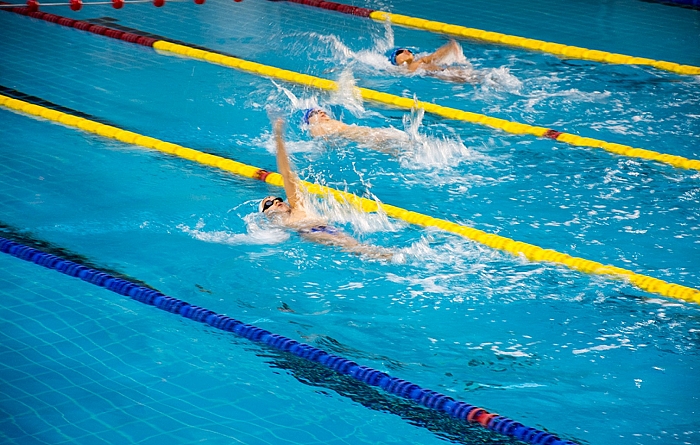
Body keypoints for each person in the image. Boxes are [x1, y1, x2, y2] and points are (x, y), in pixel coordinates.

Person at [259, 119, 393, 260]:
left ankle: (391, 257)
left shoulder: (298, 206)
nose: (275, 201)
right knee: (360, 250)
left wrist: (278, 135)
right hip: (309, 234)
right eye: (268, 203)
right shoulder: (274, 226)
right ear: (265, 213)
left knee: (359, 249)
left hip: (319, 230)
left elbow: (286, 173)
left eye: (277, 199)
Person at [303, 108, 408, 150]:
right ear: (309, 121)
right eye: (314, 113)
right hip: (366, 137)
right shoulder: (316, 127)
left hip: (368, 136)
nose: (322, 112)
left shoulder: (329, 123)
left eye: (323, 111)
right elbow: (322, 141)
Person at [389, 40, 478, 82]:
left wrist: (451, 47)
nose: (406, 51)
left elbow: (434, 57)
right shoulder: (406, 69)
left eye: (408, 51)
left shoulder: (418, 62)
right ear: (395, 60)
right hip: (449, 75)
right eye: (400, 52)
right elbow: (434, 57)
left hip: (450, 73)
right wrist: (451, 46)